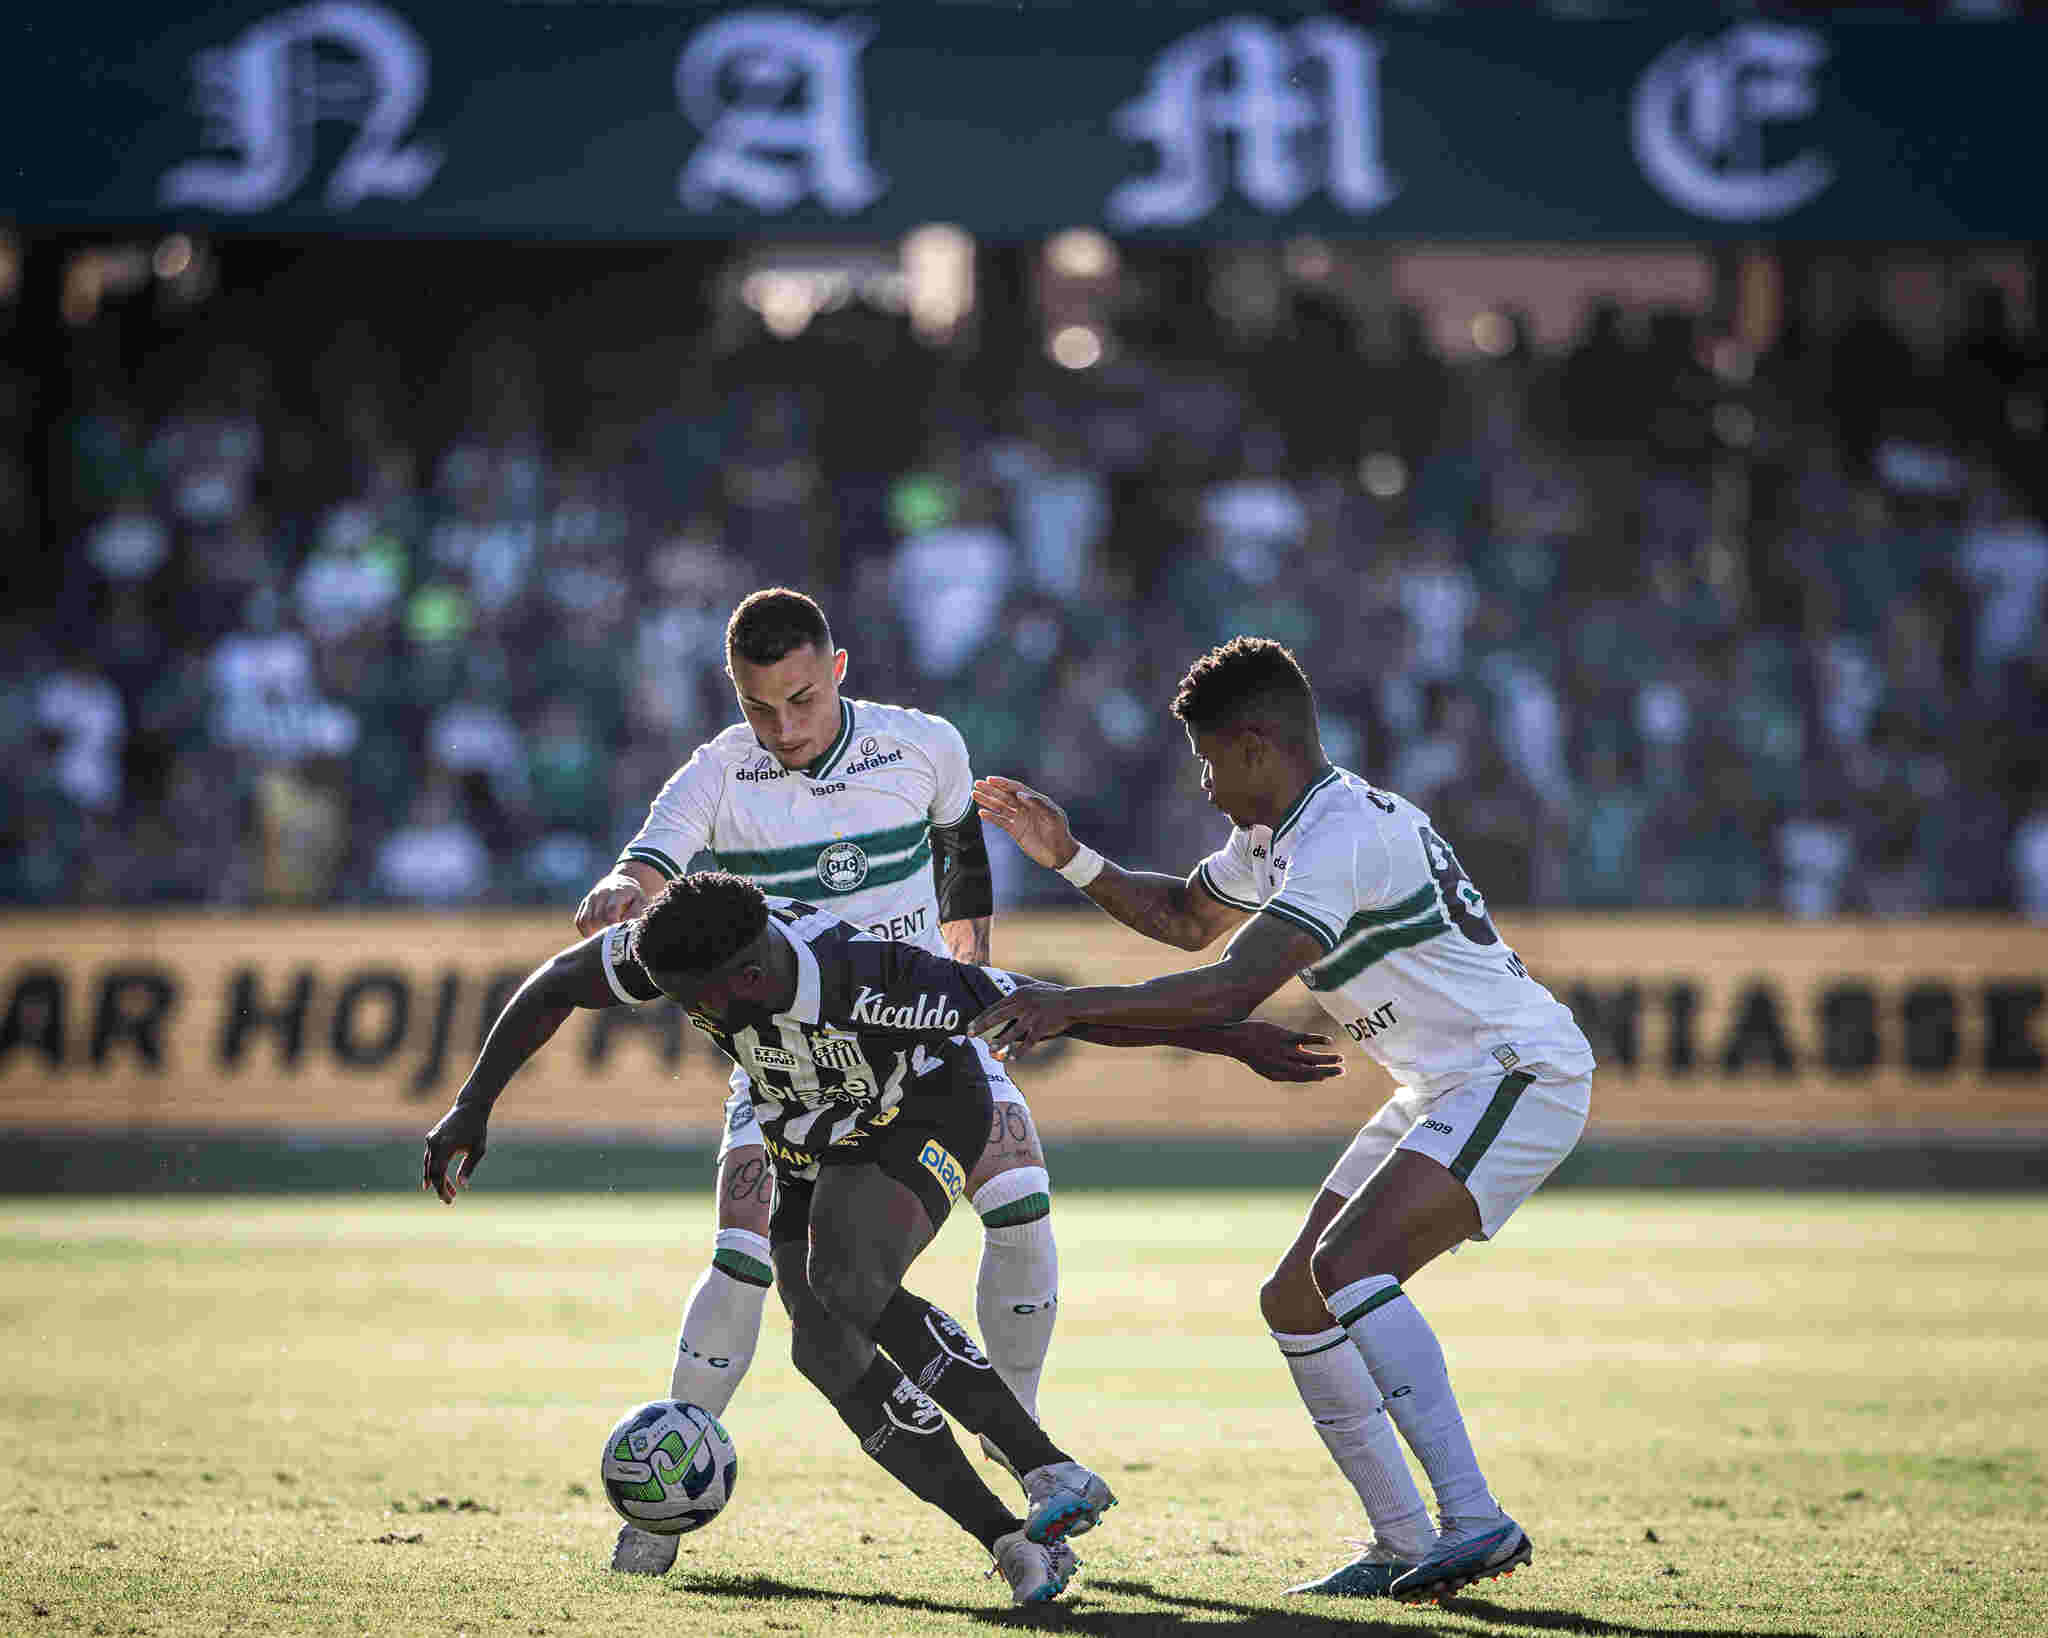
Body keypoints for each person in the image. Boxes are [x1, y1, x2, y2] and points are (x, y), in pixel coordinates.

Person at [422, 871, 1340, 1605]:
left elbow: (1059, 1008)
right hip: (804, 1128)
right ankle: (1014, 1544)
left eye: (691, 1001)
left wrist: (1226, 1038)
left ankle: (1048, 1467)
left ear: (745, 976)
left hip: (927, 1105)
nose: (678, 1011)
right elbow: (556, 981)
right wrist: (471, 1105)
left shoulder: (876, 980)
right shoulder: (682, 947)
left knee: (849, 1283)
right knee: (824, 1349)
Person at [967, 636, 1596, 1605]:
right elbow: (1182, 917)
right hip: (1443, 1082)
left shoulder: (1339, 840)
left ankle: (1472, 1519)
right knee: (1296, 1300)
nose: (1206, 786)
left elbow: (1223, 990)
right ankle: (1397, 1542)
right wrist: (1072, 858)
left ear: (1259, 746)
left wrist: (1069, 1008)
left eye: (1210, 762)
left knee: (1347, 1270)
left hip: (1515, 1072)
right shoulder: (1272, 840)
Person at [572, 587, 1072, 1575]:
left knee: (1020, 1206)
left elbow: (958, 863)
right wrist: (619, 893)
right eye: (761, 708)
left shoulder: (924, 745)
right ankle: (655, 1515)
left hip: (916, 1030)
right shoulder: (719, 770)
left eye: (800, 700)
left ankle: (1019, 1445)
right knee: (743, 1262)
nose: (783, 727)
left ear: (836, 671)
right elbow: (648, 861)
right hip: (785, 1059)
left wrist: (971, 964)